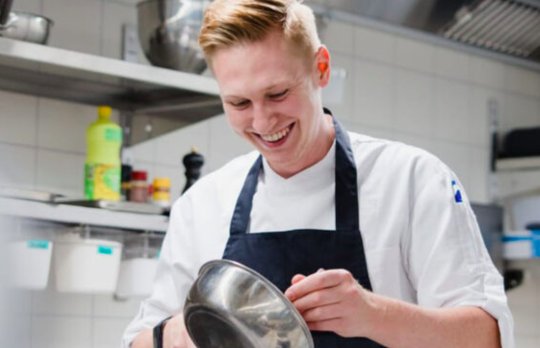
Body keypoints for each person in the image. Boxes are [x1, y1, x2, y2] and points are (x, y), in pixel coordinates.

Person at [123, 0, 514, 347]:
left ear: (321, 68)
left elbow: (486, 337)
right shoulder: (202, 205)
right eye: (239, 102)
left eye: (277, 94)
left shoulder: (412, 180)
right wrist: (177, 334)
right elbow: (139, 339)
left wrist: (373, 315)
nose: (262, 120)